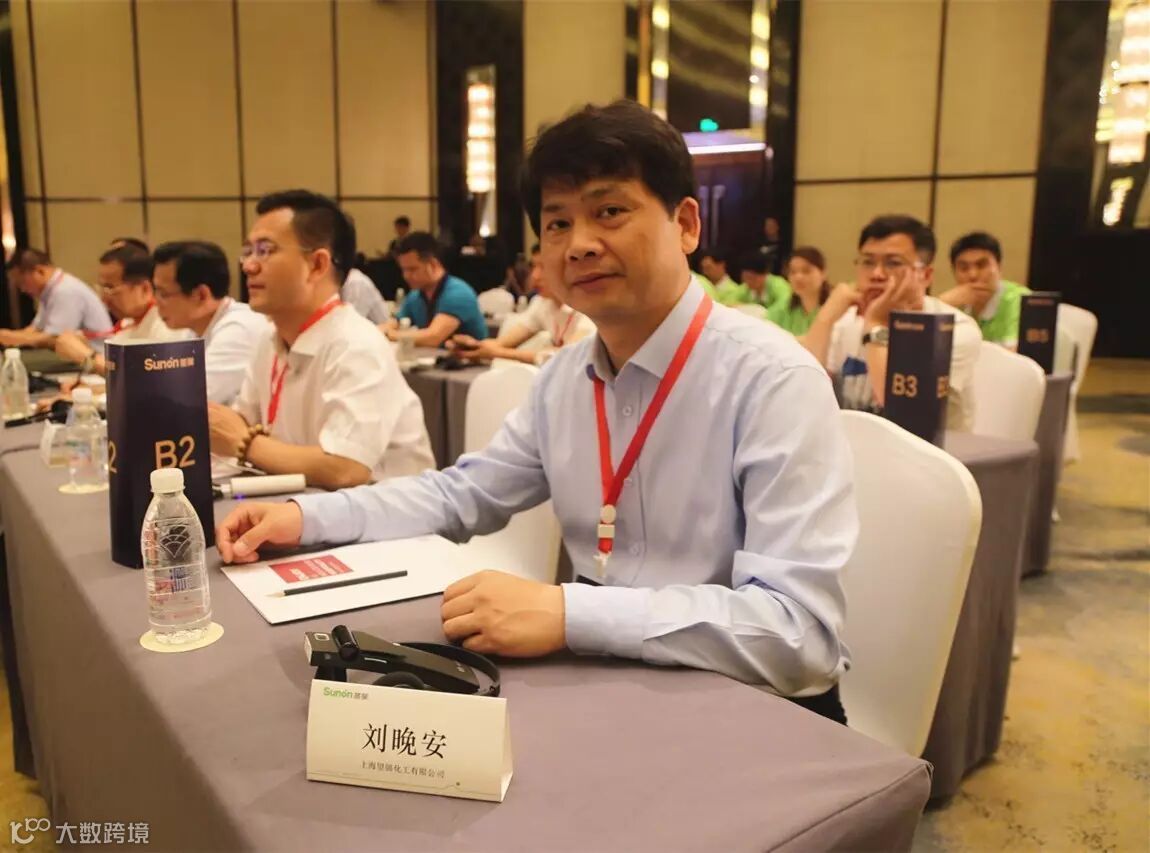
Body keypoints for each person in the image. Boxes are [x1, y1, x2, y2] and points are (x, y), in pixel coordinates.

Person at [217, 100, 857, 720]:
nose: (579, 245)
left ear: (686, 224)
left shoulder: (771, 379)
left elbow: (800, 634)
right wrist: (306, 516)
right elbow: (461, 495)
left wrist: (570, 613)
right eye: (557, 224)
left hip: (752, 712)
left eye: (609, 211)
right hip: (613, 683)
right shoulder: (564, 379)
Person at [207, 189, 433, 489]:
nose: (248, 266)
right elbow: (244, 425)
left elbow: (345, 468)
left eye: (265, 250)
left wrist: (244, 444)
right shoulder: (269, 341)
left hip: (385, 514)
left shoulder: (356, 343)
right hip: (304, 505)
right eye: (248, 251)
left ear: (317, 265)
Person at [798, 214, 981, 431]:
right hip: (855, 445)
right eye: (868, 262)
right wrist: (825, 319)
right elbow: (804, 393)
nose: (876, 274)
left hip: (928, 449)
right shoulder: (847, 321)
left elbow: (905, 415)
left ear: (925, 275)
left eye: (893, 263)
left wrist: (876, 325)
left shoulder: (953, 330)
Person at [152, 240, 269, 405]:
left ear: (201, 295)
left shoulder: (238, 330)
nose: (156, 302)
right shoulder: (194, 330)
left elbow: (185, 401)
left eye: (163, 294)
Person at [448, 243, 594, 365]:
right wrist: (471, 346)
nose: (535, 276)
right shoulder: (542, 303)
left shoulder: (589, 306)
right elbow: (501, 343)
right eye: (533, 267)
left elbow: (567, 357)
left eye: (543, 267)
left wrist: (498, 353)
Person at [54, 245, 185, 374]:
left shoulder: (167, 325)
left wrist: (87, 357)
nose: (104, 300)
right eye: (102, 289)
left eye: (110, 288)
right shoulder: (127, 323)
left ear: (144, 289)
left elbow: (148, 379)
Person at [384, 232, 488, 346]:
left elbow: (433, 337)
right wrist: (381, 331)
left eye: (412, 269)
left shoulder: (458, 293)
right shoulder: (415, 296)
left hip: (471, 357)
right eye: (404, 270)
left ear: (433, 264)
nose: (406, 276)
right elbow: (394, 323)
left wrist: (391, 334)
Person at [0, 248, 111, 348]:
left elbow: (55, 338)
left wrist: (11, 337)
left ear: (40, 271)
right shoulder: (50, 290)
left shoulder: (65, 290)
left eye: (22, 282)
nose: (23, 289)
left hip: (97, 355)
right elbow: (36, 329)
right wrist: (9, 336)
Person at [940, 231, 1031, 348]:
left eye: (981, 265)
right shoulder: (953, 303)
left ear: (999, 267)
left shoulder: (1021, 301)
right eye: (964, 268)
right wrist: (942, 303)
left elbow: (1017, 354)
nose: (972, 275)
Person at [767, 247, 831, 336]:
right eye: (793, 272)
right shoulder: (782, 308)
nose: (798, 277)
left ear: (823, 273)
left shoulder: (834, 308)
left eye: (806, 271)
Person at [726, 250, 792, 311]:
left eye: (751, 278)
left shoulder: (779, 285)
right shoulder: (745, 288)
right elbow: (729, 303)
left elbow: (785, 305)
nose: (748, 282)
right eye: (745, 278)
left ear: (765, 274)